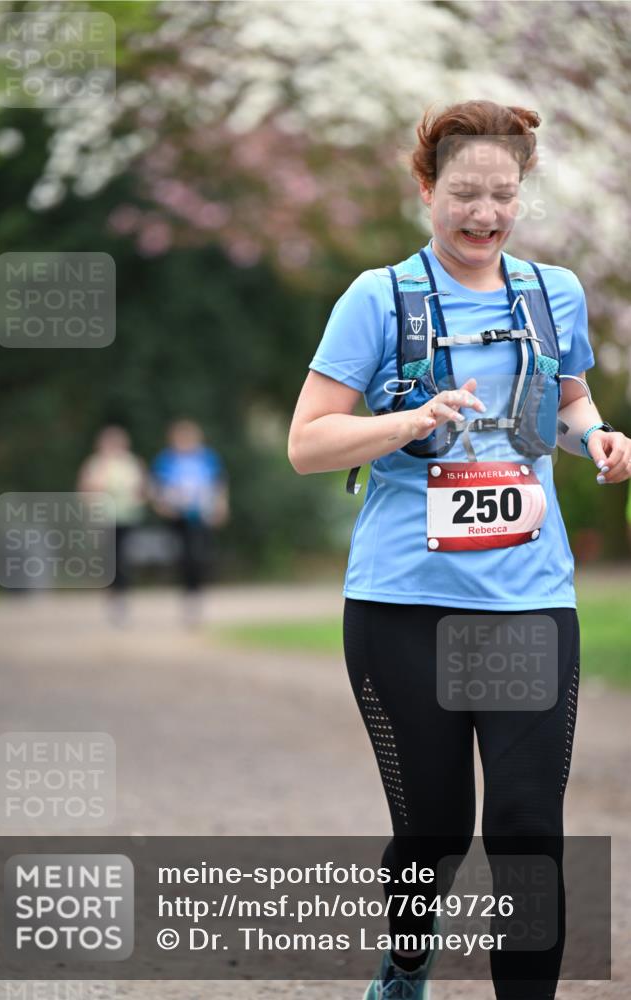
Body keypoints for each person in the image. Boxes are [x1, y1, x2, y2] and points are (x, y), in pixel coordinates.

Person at [288, 100, 631, 1000]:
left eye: (503, 195)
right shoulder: (377, 296)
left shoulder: (552, 292)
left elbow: (561, 404)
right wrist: (411, 418)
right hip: (405, 602)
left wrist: (595, 436)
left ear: (523, 195)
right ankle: (405, 963)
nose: (484, 214)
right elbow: (309, 442)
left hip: (526, 599)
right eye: (465, 194)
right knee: (435, 832)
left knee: (525, 827)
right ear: (426, 188)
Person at [150, 419, 229, 625]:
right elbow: (157, 487)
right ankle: (187, 596)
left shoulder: (208, 458)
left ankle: (196, 596)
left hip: (202, 515)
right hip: (177, 517)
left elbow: (219, 484)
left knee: (200, 557)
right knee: (184, 557)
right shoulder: (166, 460)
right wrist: (162, 505)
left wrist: (221, 506)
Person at [77, 425, 148, 623]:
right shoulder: (95, 463)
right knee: (108, 559)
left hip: (127, 517)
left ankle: (121, 595)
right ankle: (112, 593)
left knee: (123, 558)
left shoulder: (132, 463)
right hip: (104, 518)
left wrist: (140, 497)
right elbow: (86, 490)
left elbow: (142, 489)